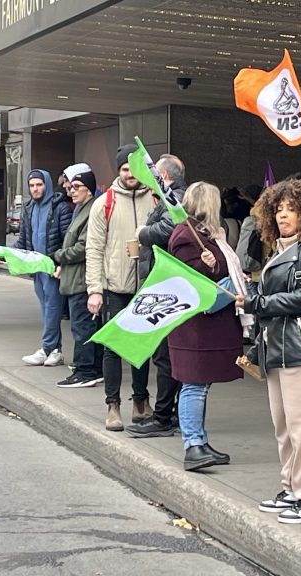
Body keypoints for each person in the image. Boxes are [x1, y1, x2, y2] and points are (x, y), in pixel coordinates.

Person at [243, 179, 301, 523]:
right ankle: (292, 489)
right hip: (280, 348)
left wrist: (259, 302)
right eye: (278, 208)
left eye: (291, 208)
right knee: (285, 426)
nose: (283, 214)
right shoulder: (283, 251)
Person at [165, 182, 247, 471]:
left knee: (199, 385)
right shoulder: (188, 236)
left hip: (201, 329)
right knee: (194, 385)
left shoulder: (204, 235)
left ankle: (199, 441)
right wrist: (213, 269)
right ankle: (193, 446)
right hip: (195, 328)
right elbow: (192, 283)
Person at [86, 144, 157, 431]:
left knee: (141, 347)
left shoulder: (154, 199)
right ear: (118, 171)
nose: (130, 174)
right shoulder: (104, 203)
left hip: (147, 286)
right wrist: (95, 289)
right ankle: (112, 405)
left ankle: (141, 402)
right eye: (125, 169)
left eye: (134, 168)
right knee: (114, 348)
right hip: (116, 286)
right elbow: (93, 248)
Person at [126, 153, 187, 438]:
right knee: (165, 355)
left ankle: (164, 416)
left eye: (153, 176)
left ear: (164, 177)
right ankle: (167, 412)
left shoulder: (176, 198)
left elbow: (170, 227)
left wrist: (143, 232)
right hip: (163, 282)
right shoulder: (171, 196)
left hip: (166, 284)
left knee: (165, 356)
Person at [14, 169, 73, 368]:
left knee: (53, 309)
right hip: (37, 268)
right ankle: (55, 350)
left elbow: (67, 238)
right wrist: (4, 253)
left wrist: (61, 263)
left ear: (46, 185)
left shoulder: (60, 207)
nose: (35, 189)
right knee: (46, 309)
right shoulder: (29, 208)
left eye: (39, 184)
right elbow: (23, 239)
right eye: (32, 185)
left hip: (53, 268)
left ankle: (48, 348)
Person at [51, 164, 103, 389]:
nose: (71, 190)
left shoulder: (91, 211)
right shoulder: (80, 209)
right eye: (70, 187)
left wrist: (58, 256)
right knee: (83, 325)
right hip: (75, 276)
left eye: (77, 186)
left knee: (83, 326)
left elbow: (83, 247)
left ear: (89, 189)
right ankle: (89, 367)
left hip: (83, 278)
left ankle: (86, 370)